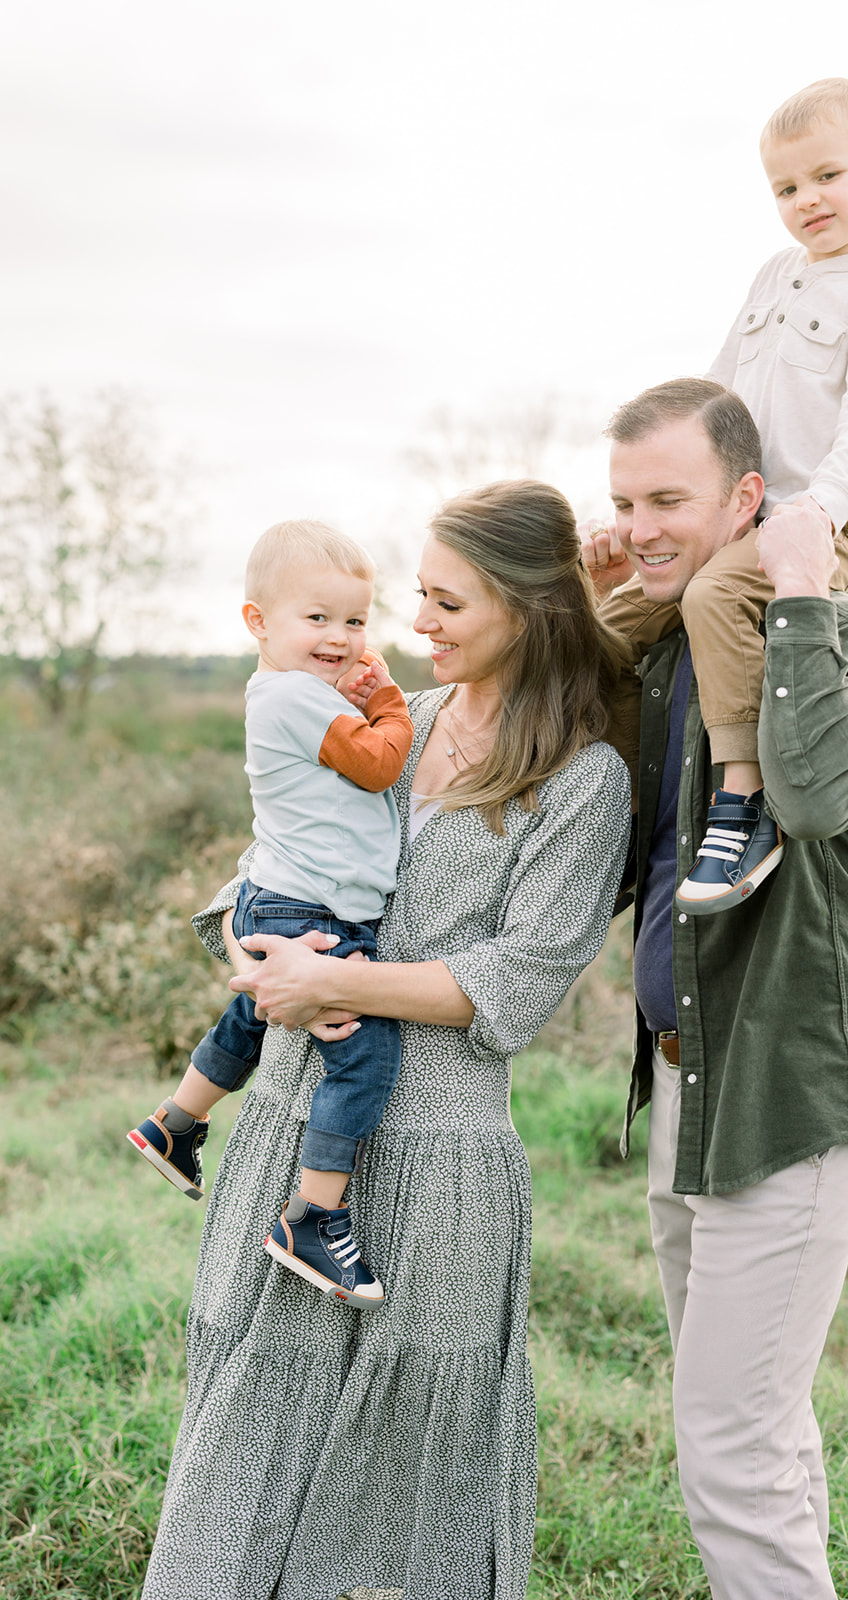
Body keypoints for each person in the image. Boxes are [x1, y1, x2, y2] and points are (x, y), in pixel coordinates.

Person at [140, 479, 632, 1600]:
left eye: (447, 602)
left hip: (441, 1147)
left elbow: (518, 978)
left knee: (410, 1462)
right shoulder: (393, 723)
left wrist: (339, 978)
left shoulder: (583, 782)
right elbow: (286, 853)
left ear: (528, 609)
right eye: (418, 596)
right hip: (289, 1118)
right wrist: (255, 955)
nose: (417, 625)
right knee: (248, 1412)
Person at [585, 377, 848, 1600]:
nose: (644, 523)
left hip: (791, 1093)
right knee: (753, 1428)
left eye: (668, 498)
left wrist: (808, 587)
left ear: (748, 500)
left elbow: (820, 800)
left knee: (727, 1446)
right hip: (691, 1084)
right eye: (625, 499)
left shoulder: (844, 639)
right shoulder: (673, 658)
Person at [602, 77, 848, 914]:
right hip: (733, 511)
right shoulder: (776, 274)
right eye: (785, 187)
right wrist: (651, 491)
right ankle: (626, 811)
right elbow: (717, 392)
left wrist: (818, 508)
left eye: (826, 176)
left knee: (712, 595)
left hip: (818, 521)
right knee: (607, 629)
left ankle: (742, 802)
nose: (805, 200)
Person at [127, 519, 414, 1309]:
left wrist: (349, 693)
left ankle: (174, 1124)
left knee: (253, 1020)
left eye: (355, 621)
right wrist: (386, 697)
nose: (340, 636)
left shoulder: (292, 692)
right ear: (258, 622)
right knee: (364, 1051)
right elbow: (380, 760)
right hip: (309, 904)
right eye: (315, 618)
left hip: (285, 893)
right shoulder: (292, 696)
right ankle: (313, 1215)